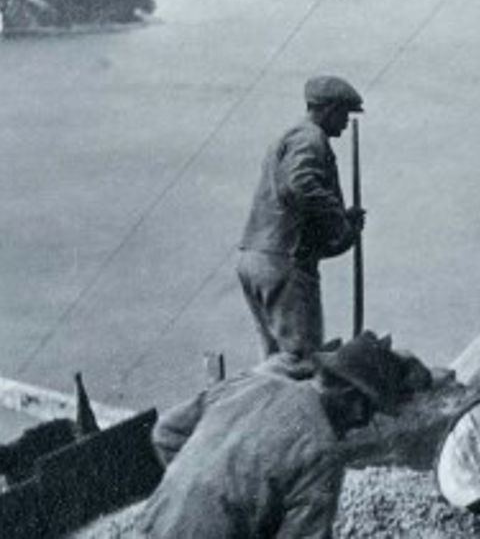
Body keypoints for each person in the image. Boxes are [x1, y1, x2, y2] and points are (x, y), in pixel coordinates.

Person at [138, 333, 411, 538]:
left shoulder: (252, 383)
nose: (362, 423)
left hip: (152, 524)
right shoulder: (321, 450)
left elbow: (166, 433)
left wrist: (197, 486)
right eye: (370, 410)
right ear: (352, 398)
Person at [237, 75, 367, 358]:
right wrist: (341, 223)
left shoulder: (290, 136)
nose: (346, 122)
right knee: (301, 362)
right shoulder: (310, 138)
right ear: (330, 109)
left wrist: (341, 223)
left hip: (257, 256)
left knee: (276, 362)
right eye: (344, 114)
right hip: (284, 261)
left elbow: (292, 198)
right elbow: (301, 185)